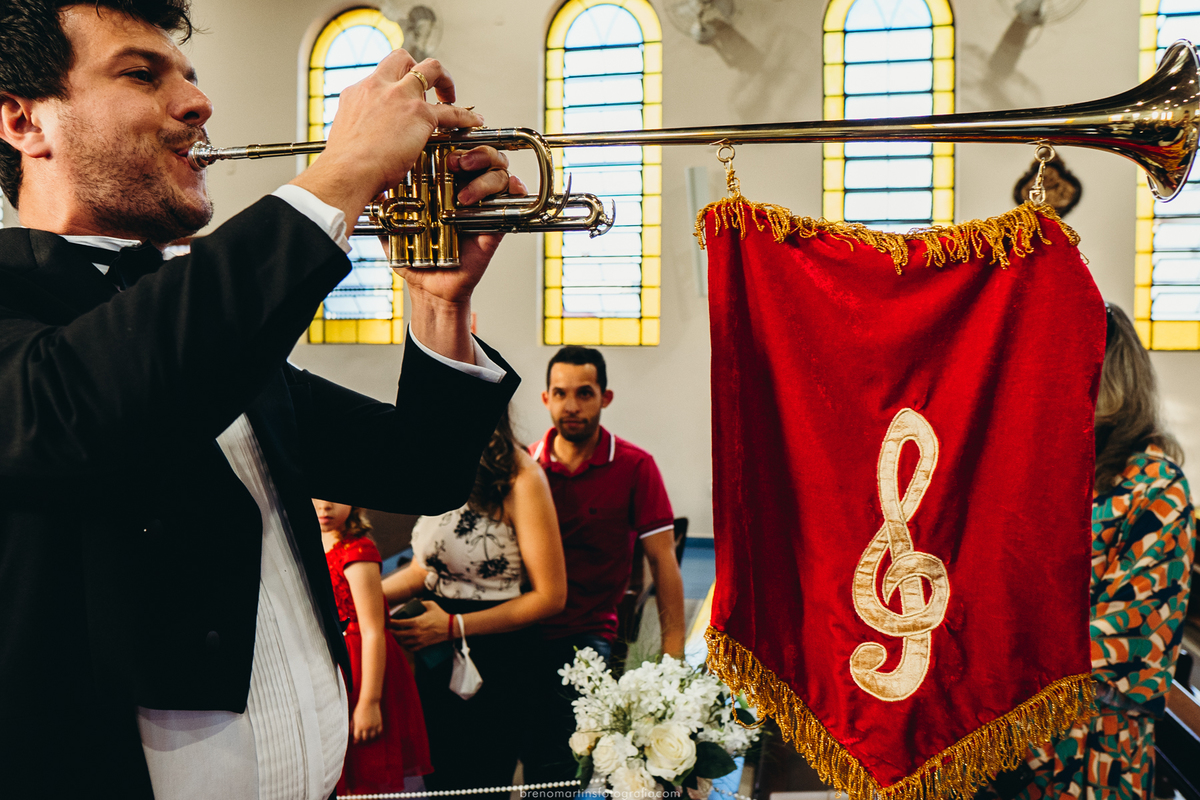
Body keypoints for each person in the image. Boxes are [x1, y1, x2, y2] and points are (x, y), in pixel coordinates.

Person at [0, 1, 525, 797]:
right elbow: (81, 406)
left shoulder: (213, 337)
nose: (197, 103)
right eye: (141, 74)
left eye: (189, 77)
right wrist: (344, 172)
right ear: (22, 121)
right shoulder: (35, 316)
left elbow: (419, 468)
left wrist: (438, 302)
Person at [980, 303, 1196, 800]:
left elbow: (1128, 636)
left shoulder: (1155, 487)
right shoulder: (1041, 467)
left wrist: (995, 656)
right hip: (998, 735)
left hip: (1090, 753)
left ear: (1107, 377)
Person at [382, 406, 567, 799]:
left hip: (497, 653)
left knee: (482, 782)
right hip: (435, 650)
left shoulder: (521, 477)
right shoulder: (442, 466)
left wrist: (454, 626)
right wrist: (358, 595)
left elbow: (551, 596)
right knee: (439, 778)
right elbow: (424, 569)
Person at [521, 345, 687, 784]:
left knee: (562, 760)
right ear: (546, 398)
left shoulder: (634, 466)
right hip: (520, 625)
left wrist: (673, 658)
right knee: (501, 740)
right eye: (560, 393)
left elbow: (663, 562)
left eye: (585, 393)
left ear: (605, 398)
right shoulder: (524, 468)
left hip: (587, 630)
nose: (571, 406)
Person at [315, 500, 432, 795]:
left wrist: (369, 702)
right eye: (316, 497)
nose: (325, 506)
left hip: (362, 666)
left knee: (367, 765)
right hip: (331, 663)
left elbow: (372, 630)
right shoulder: (310, 546)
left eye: (334, 498)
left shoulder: (357, 552)